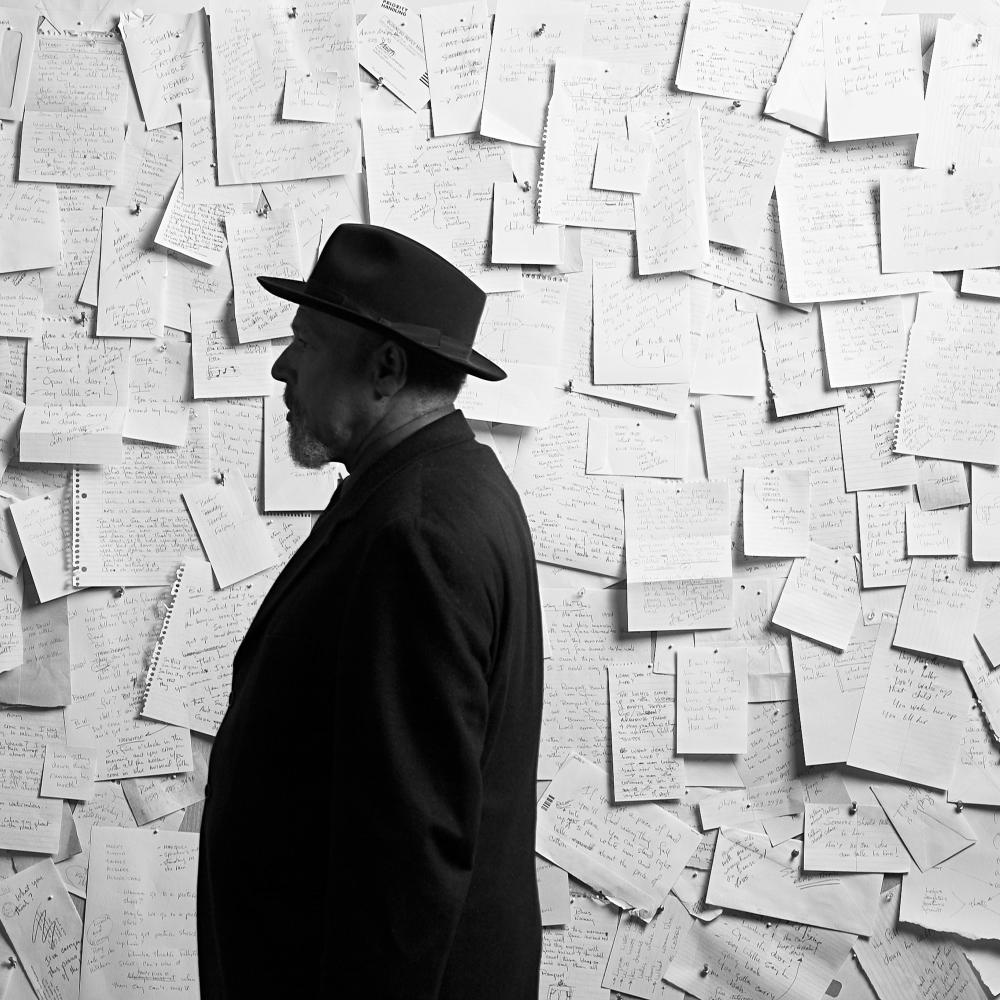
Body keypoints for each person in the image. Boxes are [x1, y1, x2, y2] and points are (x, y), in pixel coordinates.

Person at [196, 223, 545, 1000]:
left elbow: (406, 860)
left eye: (306, 341)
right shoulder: (435, 489)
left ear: (386, 368)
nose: (282, 365)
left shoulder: (417, 531)